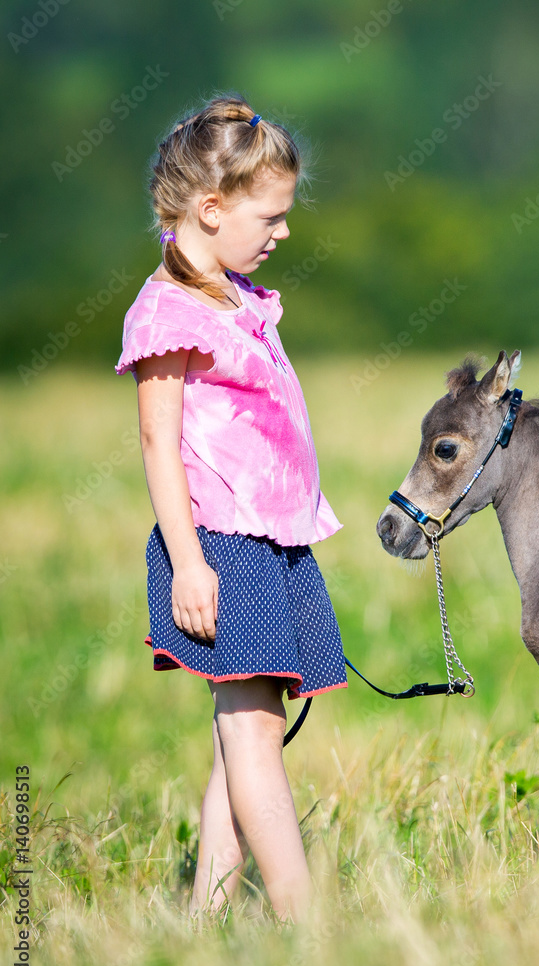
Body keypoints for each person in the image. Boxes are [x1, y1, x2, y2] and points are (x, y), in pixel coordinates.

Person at [115, 93, 346, 923]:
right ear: (210, 210)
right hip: (221, 546)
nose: (282, 231)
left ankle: (205, 924)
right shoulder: (169, 313)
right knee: (249, 730)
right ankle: (306, 927)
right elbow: (157, 446)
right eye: (271, 215)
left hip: (273, 542)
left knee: (245, 732)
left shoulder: (238, 296)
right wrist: (188, 563)